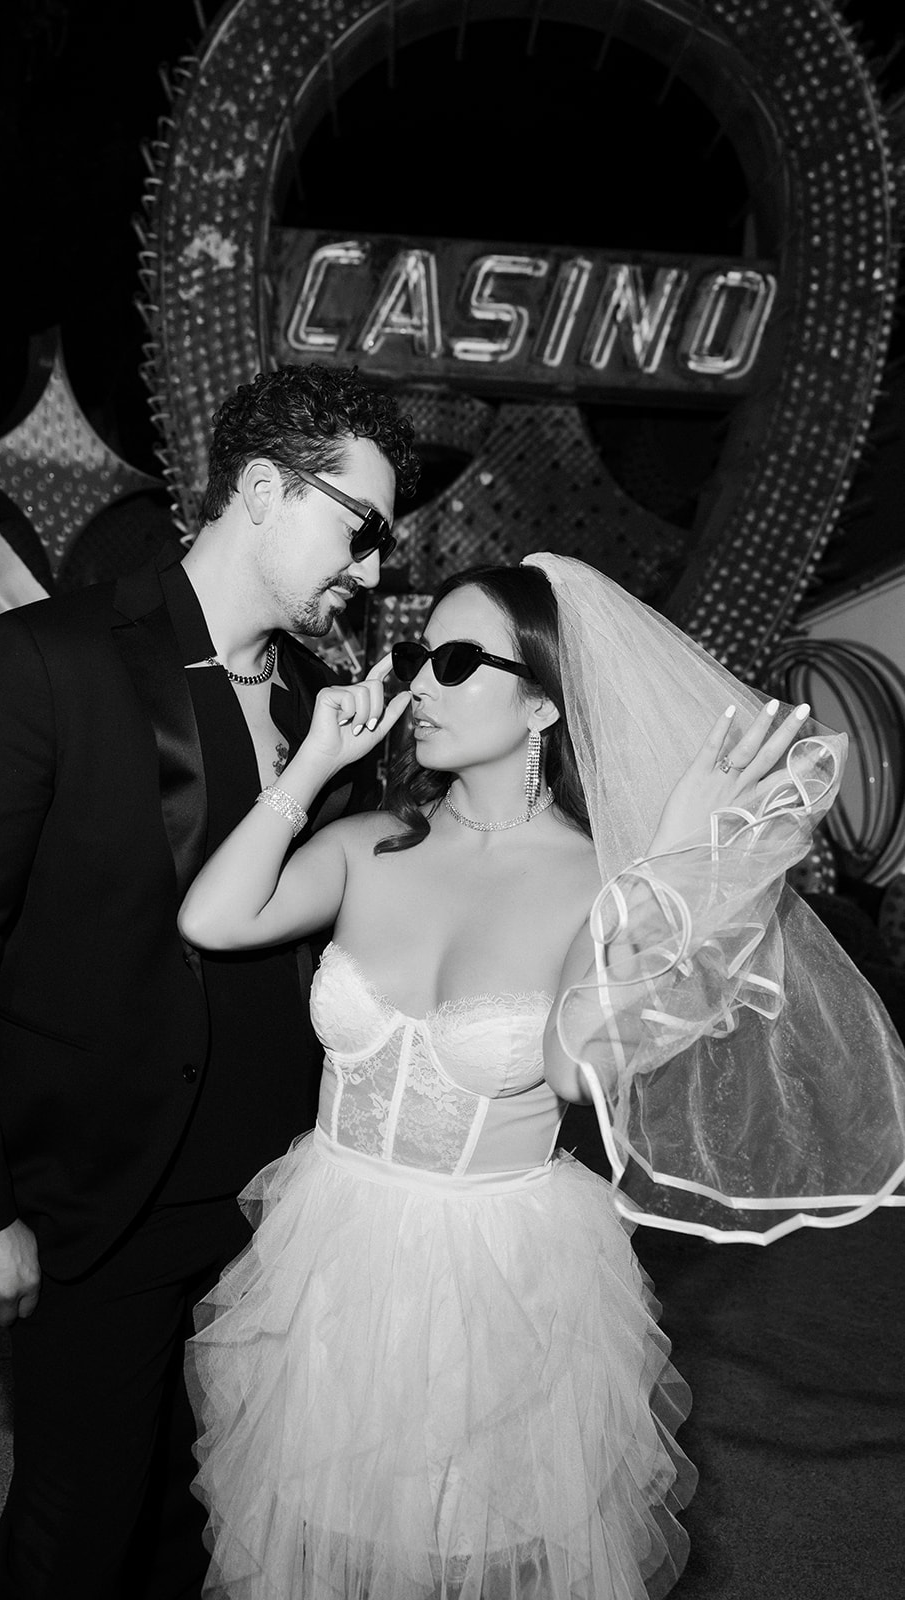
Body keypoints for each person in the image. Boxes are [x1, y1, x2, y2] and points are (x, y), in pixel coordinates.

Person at [178, 554, 905, 1599]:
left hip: (495, 1277)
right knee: (321, 1540)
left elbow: (577, 1066)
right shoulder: (371, 841)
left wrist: (666, 878)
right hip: (331, 1239)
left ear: (542, 709)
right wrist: (305, 769)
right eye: (423, 655)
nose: (420, 684)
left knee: (464, 1553)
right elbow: (213, 917)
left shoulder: (596, 881)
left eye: (459, 662)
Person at [0, 362, 420, 1599]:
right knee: (78, 1526)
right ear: (260, 488)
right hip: (96, 1196)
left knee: (207, 1520)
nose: (374, 568)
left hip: (273, 1204)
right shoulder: (46, 657)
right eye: (361, 528)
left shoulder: (319, 703)